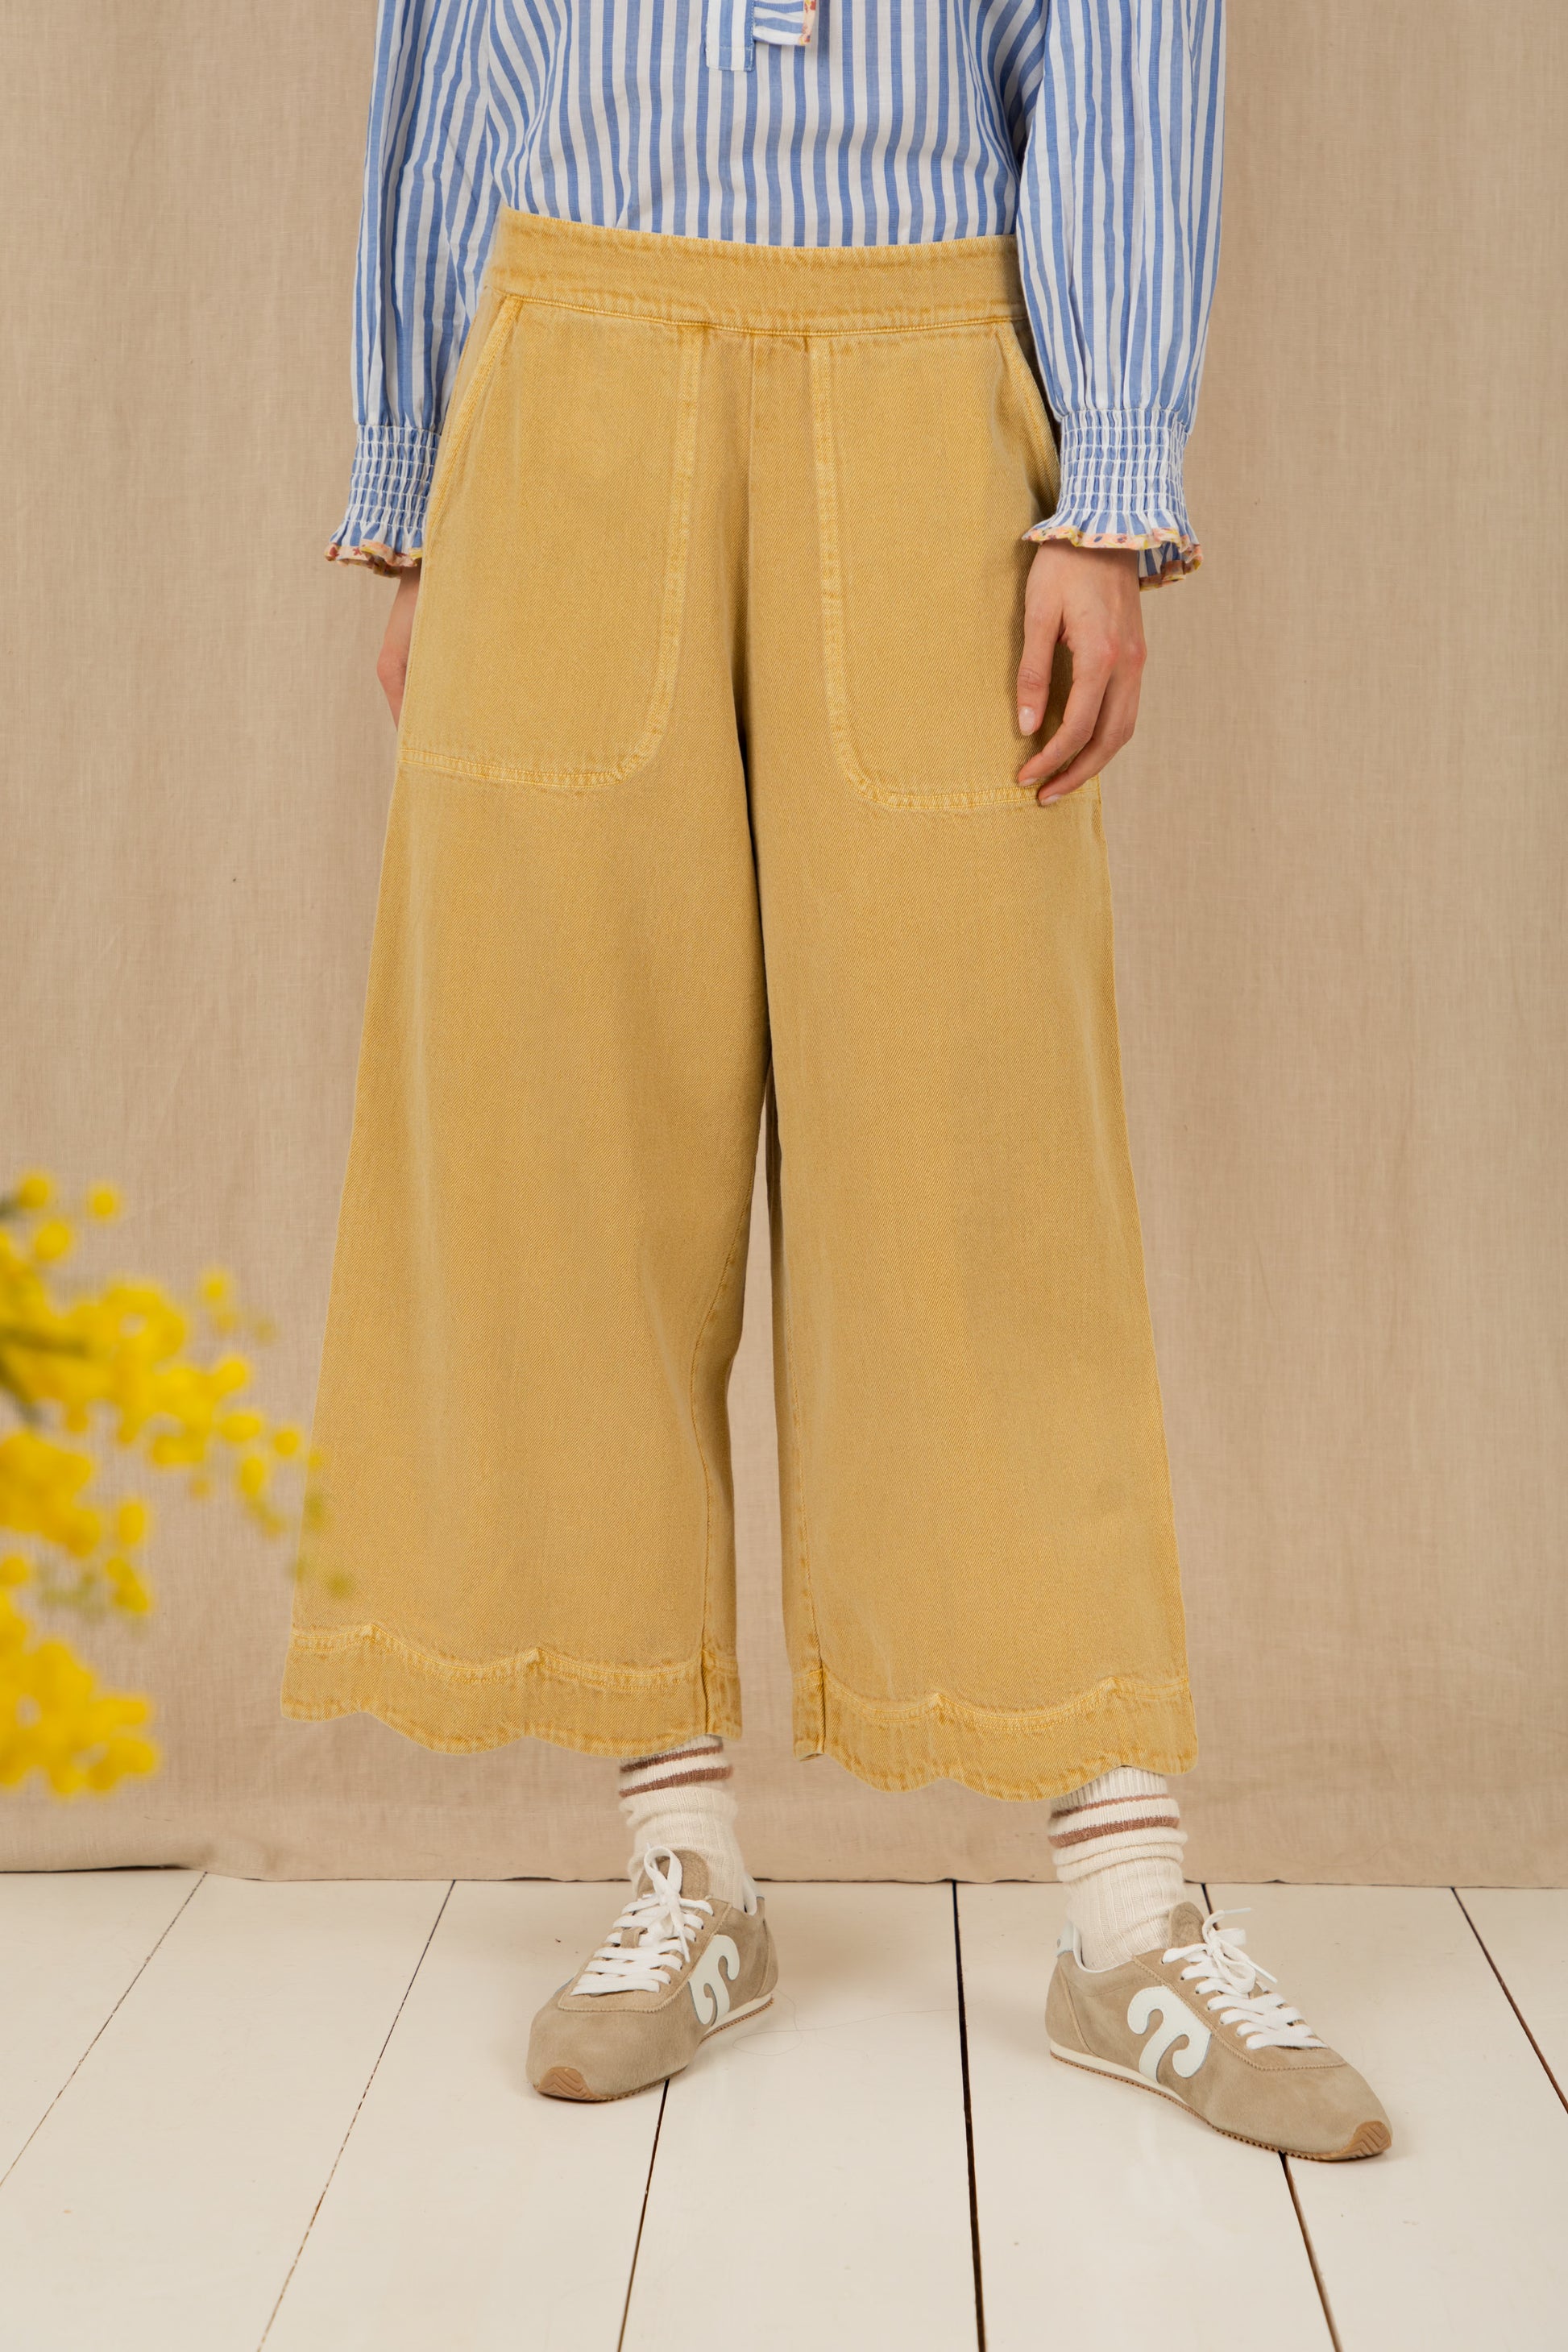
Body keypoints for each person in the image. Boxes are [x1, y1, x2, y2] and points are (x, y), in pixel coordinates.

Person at [285, 0, 1390, 2159]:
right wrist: (413, 492)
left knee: (986, 1153)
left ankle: (1128, 1913)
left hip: (920, 388)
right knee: (572, 1128)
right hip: (565, 374)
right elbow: (455, 46)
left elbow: (1119, 48)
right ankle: (682, 1863)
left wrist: (1108, 495)